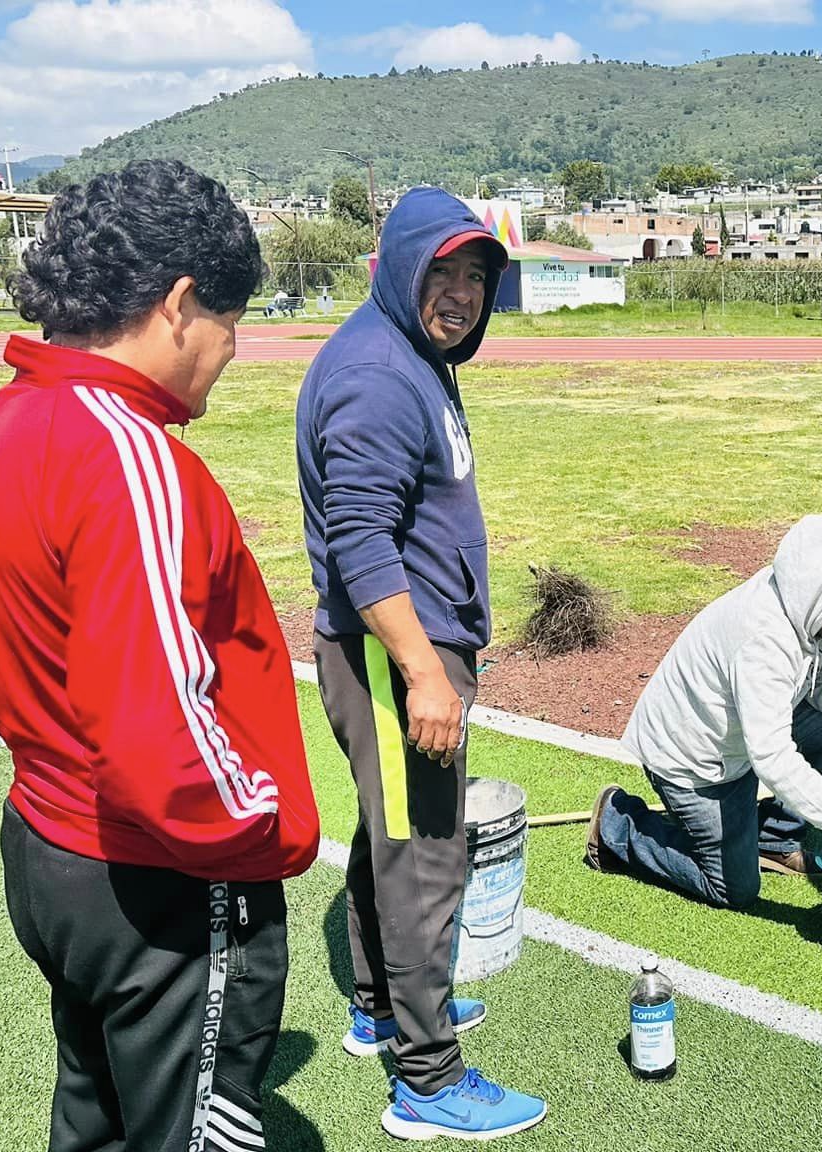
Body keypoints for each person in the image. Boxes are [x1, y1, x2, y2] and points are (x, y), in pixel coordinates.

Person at [0, 158, 321, 1152]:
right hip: (159, 876)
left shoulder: (6, 422)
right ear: (179, 303)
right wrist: (267, 830)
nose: (232, 351)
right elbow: (156, 726)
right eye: (230, 323)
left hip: (48, 844)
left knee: (95, 1117)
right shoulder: (130, 455)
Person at [297, 187, 546, 1141]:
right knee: (426, 857)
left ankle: (378, 1009)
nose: (459, 293)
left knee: (390, 837)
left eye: (475, 275)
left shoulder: (409, 352)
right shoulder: (376, 374)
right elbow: (361, 540)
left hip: (398, 645)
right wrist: (427, 675)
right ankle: (429, 1081)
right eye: (440, 271)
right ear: (399, 266)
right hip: (397, 653)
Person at [587, 515, 822, 908]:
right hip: (694, 764)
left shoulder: (809, 610)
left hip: (739, 745)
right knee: (733, 889)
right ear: (821, 589)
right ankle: (617, 825)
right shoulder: (763, 638)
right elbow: (772, 758)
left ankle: (774, 838)